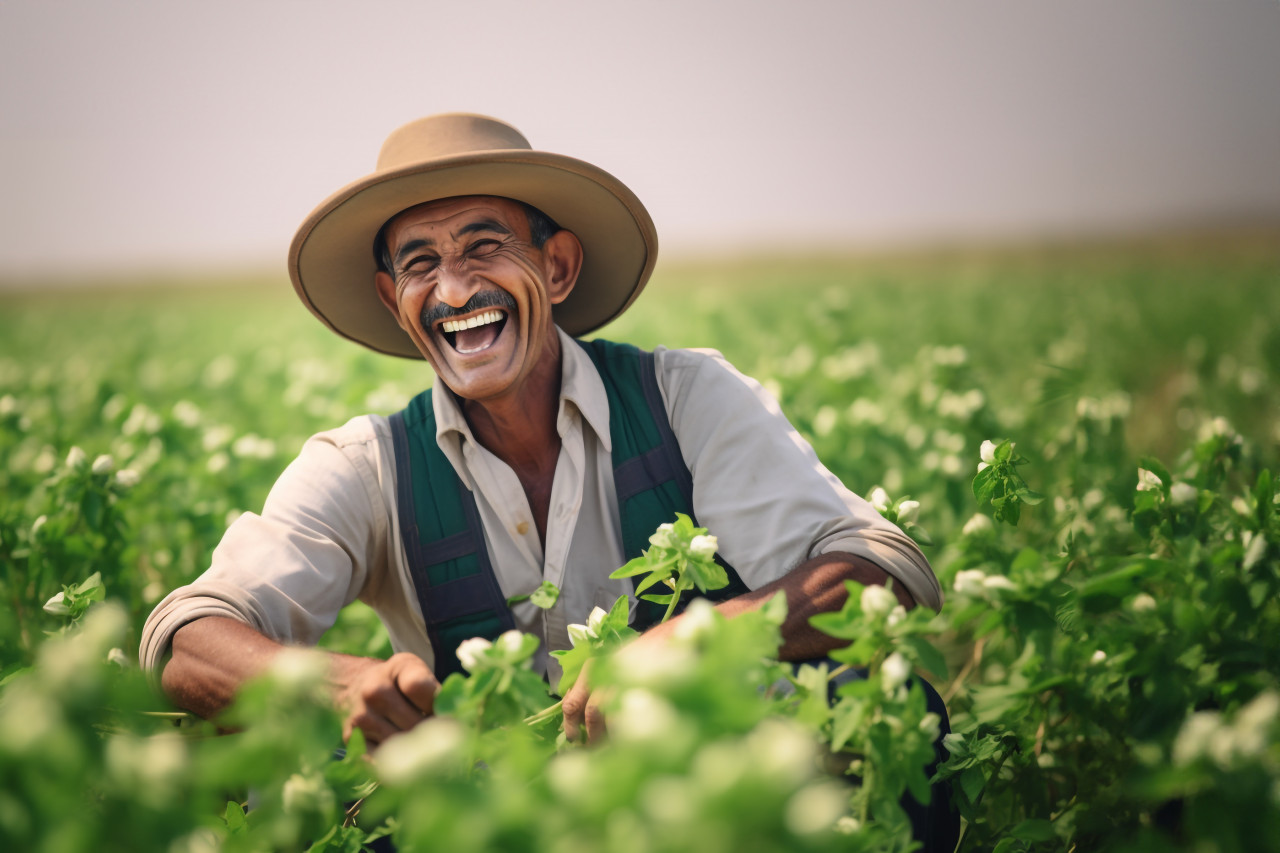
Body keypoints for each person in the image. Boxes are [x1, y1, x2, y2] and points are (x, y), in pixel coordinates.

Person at [140, 113, 943, 753]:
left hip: (707, 790)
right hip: (493, 821)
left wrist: (694, 642)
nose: (455, 289)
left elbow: (884, 570)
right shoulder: (367, 468)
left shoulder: (684, 397)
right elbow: (187, 641)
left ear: (556, 268)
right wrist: (338, 687)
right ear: (395, 301)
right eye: (420, 264)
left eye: (485, 246)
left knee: (889, 708)